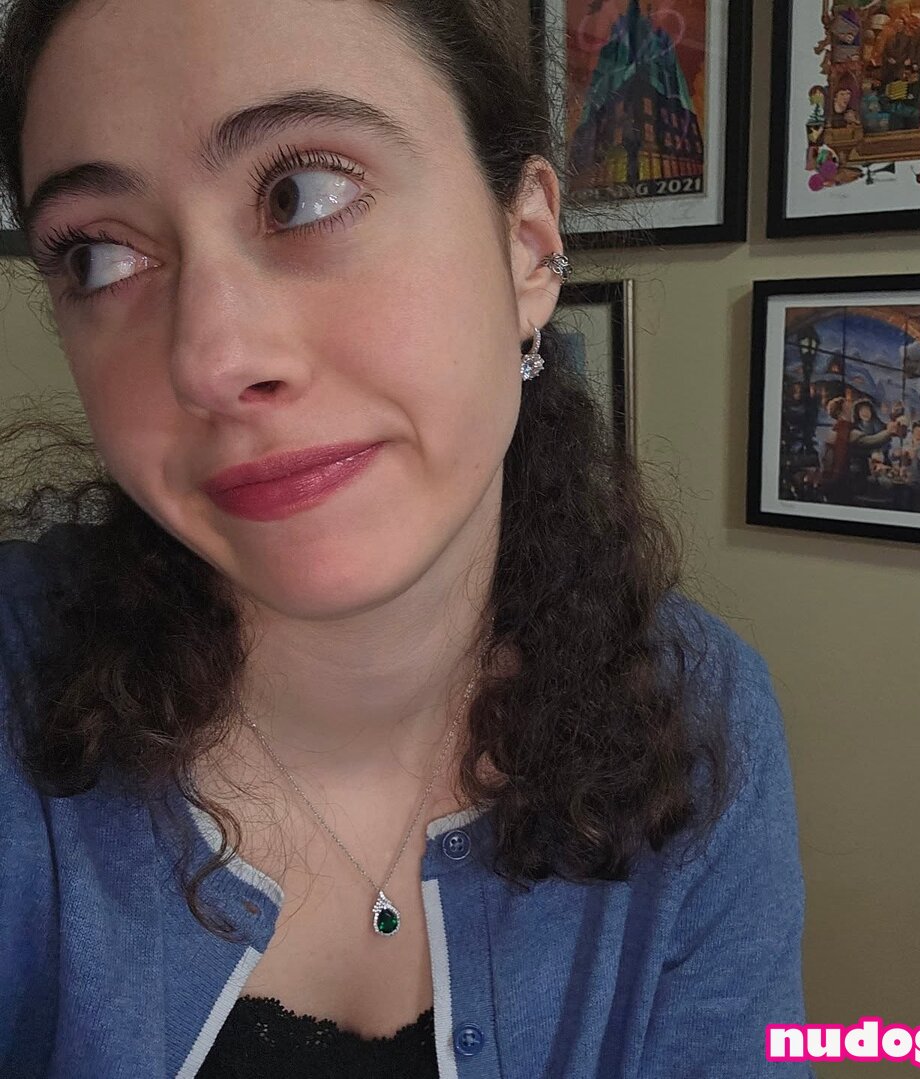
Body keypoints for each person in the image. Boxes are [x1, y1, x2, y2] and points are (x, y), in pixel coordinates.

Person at [0, 0, 808, 1077]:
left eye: (303, 193)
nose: (209, 359)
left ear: (527, 248)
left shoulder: (698, 717)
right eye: (99, 255)